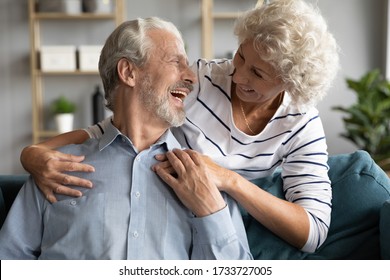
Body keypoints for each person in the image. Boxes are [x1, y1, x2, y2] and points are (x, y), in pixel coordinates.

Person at [20, 0, 339, 254]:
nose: (238, 76)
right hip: (181, 206)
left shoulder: (302, 124)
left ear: (287, 81)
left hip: (222, 215)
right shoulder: (203, 81)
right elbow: (117, 126)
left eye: (257, 73)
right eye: (240, 57)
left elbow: (312, 232)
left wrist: (228, 181)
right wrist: (34, 153)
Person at [0, 17, 252, 260]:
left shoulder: (205, 176)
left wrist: (211, 213)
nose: (191, 77)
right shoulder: (54, 169)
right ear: (128, 72)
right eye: (177, 61)